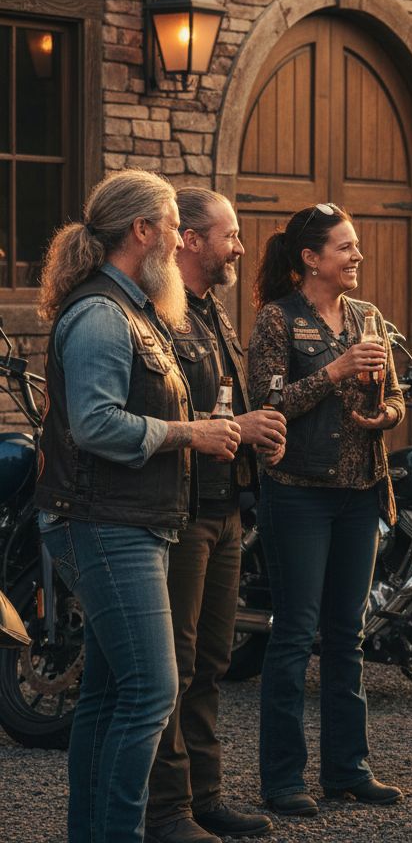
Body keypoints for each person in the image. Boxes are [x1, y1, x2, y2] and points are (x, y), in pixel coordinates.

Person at [33, 170, 242, 843]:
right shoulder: (101, 313)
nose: (182, 236)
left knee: (106, 693)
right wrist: (192, 434)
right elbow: (94, 425)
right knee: (152, 691)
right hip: (105, 523)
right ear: (142, 231)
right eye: (173, 222)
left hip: (130, 523)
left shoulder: (137, 309)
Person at [247, 202, 405, 818]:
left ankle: (348, 769)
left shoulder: (368, 316)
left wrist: (384, 414)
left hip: (362, 492)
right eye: (345, 247)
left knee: (348, 635)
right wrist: (337, 370)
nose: (357, 255)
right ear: (311, 259)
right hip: (299, 494)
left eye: (356, 245)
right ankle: (283, 780)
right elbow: (268, 401)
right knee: (293, 635)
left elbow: (392, 398)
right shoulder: (276, 321)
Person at [145, 189, 287, 843]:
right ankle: (167, 811)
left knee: (212, 661)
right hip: (180, 509)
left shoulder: (214, 314)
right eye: (229, 236)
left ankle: (206, 798)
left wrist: (260, 434)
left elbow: (228, 401)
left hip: (227, 504)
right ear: (191, 241)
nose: (240, 248)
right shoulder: (159, 316)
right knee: (170, 666)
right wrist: (235, 424)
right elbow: (158, 414)